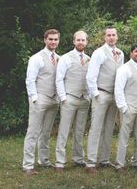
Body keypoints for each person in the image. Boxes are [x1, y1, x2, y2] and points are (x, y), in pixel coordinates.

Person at [85, 27, 124, 174]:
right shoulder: (99, 52)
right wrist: (95, 94)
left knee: (109, 128)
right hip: (101, 93)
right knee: (96, 128)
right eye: (109, 35)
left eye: (114, 35)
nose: (111, 37)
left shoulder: (121, 53)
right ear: (104, 37)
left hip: (114, 96)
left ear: (117, 37)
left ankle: (104, 159)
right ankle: (90, 162)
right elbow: (91, 75)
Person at [22, 29, 61, 175]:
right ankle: (28, 165)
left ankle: (44, 161)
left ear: (58, 41)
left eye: (55, 39)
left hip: (53, 100)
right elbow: (30, 80)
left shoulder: (60, 58)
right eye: (50, 39)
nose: (53, 42)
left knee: (46, 132)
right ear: (45, 40)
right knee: (33, 131)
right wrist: (34, 98)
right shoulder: (36, 58)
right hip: (40, 97)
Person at [54, 30, 91, 172]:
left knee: (80, 130)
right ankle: (59, 162)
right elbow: (59, 78)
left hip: (83, 100)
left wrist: (89, 97)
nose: (81, 42)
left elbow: (91, 79)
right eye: (78, 40)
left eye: (83, 40)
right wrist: (63, 98)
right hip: (69, 98)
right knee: (64, 130)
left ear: (86, 42)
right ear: (74, 41)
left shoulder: (89, 58)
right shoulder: (66, 57)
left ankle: (78, 158)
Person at [114, 44, 137, 173]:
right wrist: (123, 107)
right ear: (131, 53)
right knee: (124, 136)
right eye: (136, 52)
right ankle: (119, 164)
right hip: (129, 107)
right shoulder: (124, 69)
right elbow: (118, 89)